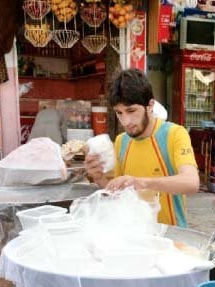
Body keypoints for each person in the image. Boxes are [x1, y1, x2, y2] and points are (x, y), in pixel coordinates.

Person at [84, 69, 199, 227]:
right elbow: (118, 195)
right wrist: (99, 178)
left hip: (171, 238)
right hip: (136, 236)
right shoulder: (121, 141)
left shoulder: (174, 134)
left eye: (131, 111)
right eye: (119, 113)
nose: (126, 122)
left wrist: (141, 182)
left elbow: (191, 182)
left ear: (150, 105)